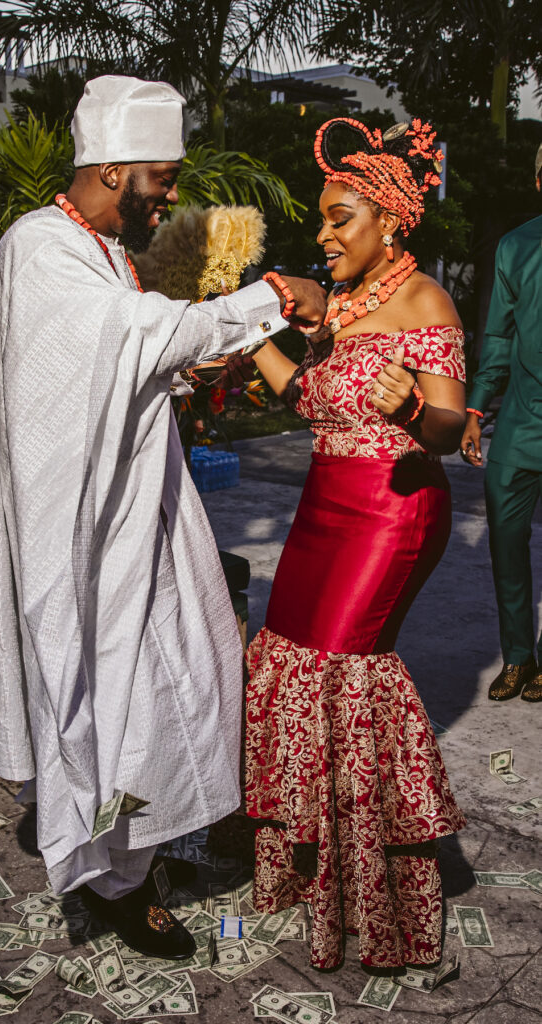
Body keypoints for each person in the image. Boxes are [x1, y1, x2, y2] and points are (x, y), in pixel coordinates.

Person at [0, 73, 325, 961]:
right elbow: (134, 337)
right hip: (81, 530)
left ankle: (142, 842)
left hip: (139, 510)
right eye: (161, 178)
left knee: (188, 671)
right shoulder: (39, 246)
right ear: (112, 167)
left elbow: (123, 365)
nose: (170, 196)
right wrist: (271, 301)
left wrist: (196, 369)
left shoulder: (98, 250)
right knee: (113, 702)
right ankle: (117, 882)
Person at [243, 116, 467, 970]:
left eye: (341, 217)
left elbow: (445, 429)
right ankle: (308, 864)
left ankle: (379, 899)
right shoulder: (339, 303)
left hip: (391, 510)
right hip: (319, 507)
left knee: (342, 670)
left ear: (389, 220)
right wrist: (246, 339)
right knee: (289, 660)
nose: (324, 231)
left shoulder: (426, 302)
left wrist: (411, 406)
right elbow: (302, 397)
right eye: (323, 218)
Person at [460, 144, 542, 703]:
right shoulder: (517, 246)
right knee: (506, 542)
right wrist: (476, 407)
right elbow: (498, 336)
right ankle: (518, 657)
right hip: (520, 423)